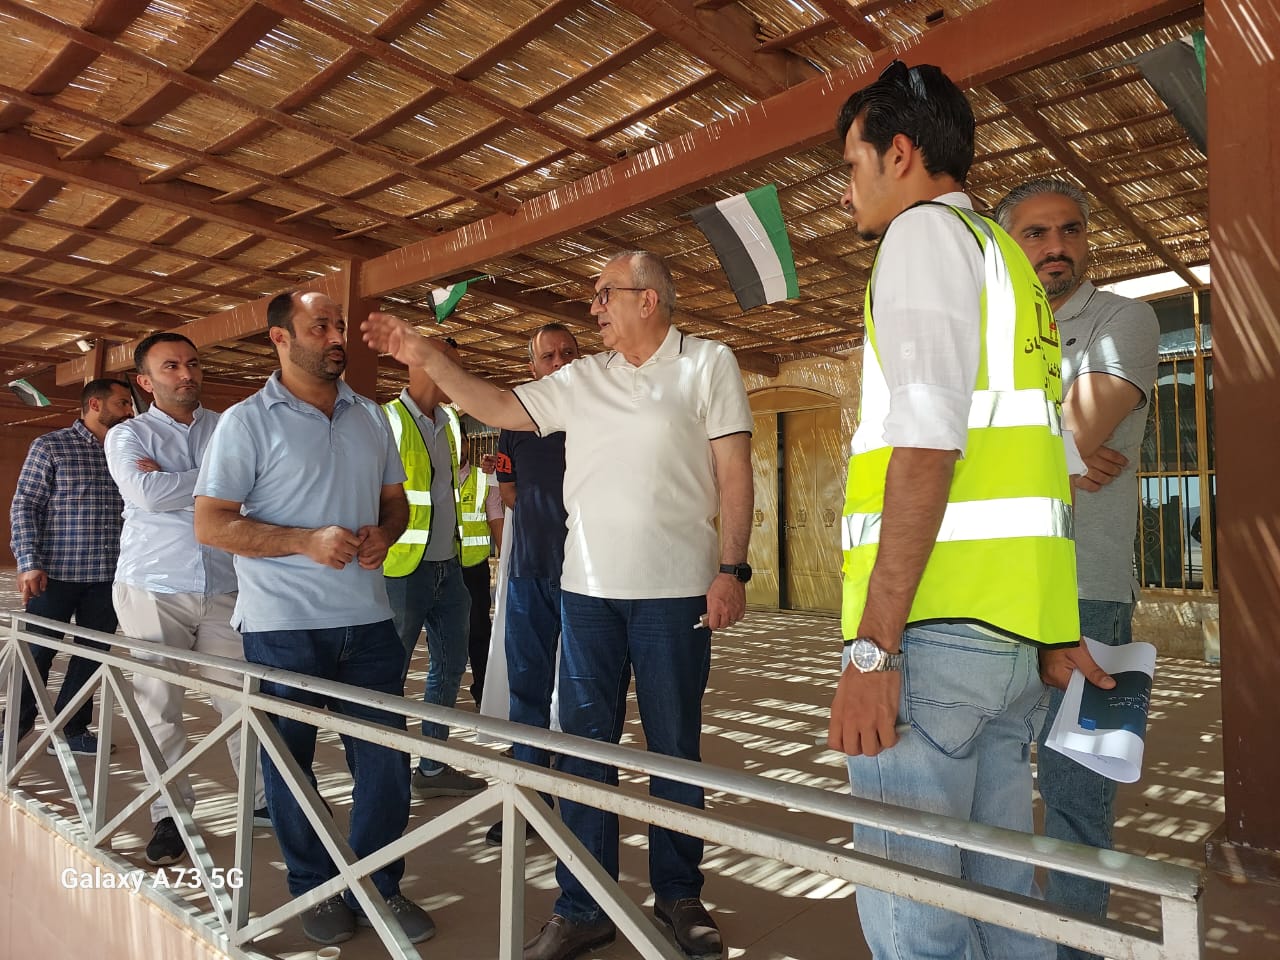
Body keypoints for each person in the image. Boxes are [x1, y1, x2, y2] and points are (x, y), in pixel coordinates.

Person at [363, 250, 754, 960]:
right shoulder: (583, 377)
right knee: (582, 751)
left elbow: (734, 471)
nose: (593, 306)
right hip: (587, 596)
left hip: (675, 596)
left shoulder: (708, 364)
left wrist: (731, 569)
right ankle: (584, 904)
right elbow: (496, 406)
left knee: (675, 750)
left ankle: (679, 894)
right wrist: (427, 357)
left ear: (648, 299)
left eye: (605, 294)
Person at [825, 62, 1115, 960]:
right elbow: (1048, 474)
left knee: (918, 919)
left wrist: (874, 649)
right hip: (1008, 647)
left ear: (899, 153)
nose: (846, 191)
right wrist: (1054, 630)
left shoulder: (920, 238)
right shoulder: (1008, 268)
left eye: (852, 165)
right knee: (1003, 904)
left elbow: (926, 448)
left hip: (932, 637)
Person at [193, 290, 432, 946]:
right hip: (282, 626)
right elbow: (211, 524)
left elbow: (395, 503)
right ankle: (313, 886)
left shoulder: (370, 416)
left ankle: (379, 885)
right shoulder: (246, 422)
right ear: (280, 337)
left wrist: (386, 532)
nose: (336, 337)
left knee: (385, 762)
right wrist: (303, 541)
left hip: (370, 621)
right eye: (319, 326)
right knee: (289, 765)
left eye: (339, 326)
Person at [995, 178, 1160, 960]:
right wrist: (1057, 455)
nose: (1055, 246)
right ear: (1008, 245)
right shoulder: (989, 333)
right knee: (988, 796)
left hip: (1087, 595)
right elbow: (938, 452)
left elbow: (1066, 430)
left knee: (1075, 803)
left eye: (1069, 230)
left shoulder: (1122, 319)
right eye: (1035, 233)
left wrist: (1037, 447)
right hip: (993, 593)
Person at [105, 332, 268, 867]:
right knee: (160, 709)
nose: (186, 374)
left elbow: (261, 487)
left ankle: (263, 800)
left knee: (242, 700)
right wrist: (222, 484)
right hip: (153, 587)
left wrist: (183, 483)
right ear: (146, 381)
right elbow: (146, 494)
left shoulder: (229, 426)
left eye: (193, 363)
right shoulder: (128, 434)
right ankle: (169, 814)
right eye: (171, 366)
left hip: (225, 584)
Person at [484, 322, 580, 848]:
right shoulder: (514, 423)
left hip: (588, 578)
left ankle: (581, 808)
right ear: (532, 367)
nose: (560, 362)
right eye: (549, 356)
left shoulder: (595, 413)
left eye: (569, 353)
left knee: (583, 697)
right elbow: (509, 491)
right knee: (528, 693)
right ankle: (527, 802)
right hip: (528, 575)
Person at [381, 340, 486, 798]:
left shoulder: (452, 423)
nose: (456, 374)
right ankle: (385, 771)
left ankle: (432, 766)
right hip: (403, 569)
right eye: (448, 364)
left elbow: (447, 492)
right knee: (390, 673)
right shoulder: (387, 421)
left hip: (450, 567)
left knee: (450, 665)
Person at [6, 378, 133, 755]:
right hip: (54, 575)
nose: (130, 411)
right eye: (123, 403)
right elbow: (25, 505)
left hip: (108, 578)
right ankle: (13, 726)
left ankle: (69, 730)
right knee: (35, 653)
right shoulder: (51, 446)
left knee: (92, 655)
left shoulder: (127, 450)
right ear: (95, 405)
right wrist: (28, 562)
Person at [456, 424, 504, 705]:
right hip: (439, 564)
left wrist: (508, 555)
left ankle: (482, 692)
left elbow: (495, 515)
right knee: (443, 633)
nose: (458, 446)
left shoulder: (483, 479)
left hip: (474, 567)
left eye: (462, 440)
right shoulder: (432, 477)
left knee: (479, 630)